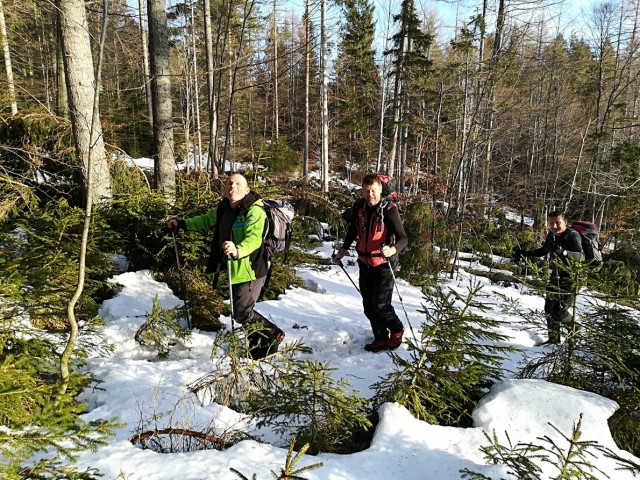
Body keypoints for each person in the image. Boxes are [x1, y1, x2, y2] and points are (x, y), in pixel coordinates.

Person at [166, 173, 284, 359]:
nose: (232, 187)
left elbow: (254, 239)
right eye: (229, 183)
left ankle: (272, 335)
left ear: (247, 189)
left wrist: (238, 249)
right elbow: (205, 220)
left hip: (253, 267)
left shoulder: (254, 211)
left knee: (242, 312)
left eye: (238, 184)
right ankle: (257, 345)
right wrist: (181, 224)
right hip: (235, 268)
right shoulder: (224, 208)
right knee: (242, 311)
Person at [332, 174, 409, 352]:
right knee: (368, 305)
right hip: (364, 262)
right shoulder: (359, 207)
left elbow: (403, 238)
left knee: (380, 304)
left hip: (383, 264)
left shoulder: (389, 209)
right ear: (362, 190)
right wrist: (342, 251)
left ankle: (397, 330)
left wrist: (393, 250)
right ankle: (380, 336)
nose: (370, 195)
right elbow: (353, 229)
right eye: (367, 191)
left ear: (380, 189)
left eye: (373, 190)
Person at [513, 211, 583, 345]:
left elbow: (580, 257)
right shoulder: (552, 235)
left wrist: (563, 252)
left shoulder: (572, 236)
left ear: (565, 223)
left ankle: (576, 329)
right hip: (555, 275)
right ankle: (553, 340)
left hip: (572, 279)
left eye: (558, 223)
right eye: (551, 223)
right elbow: (544, 250)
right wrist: (525, 253)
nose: (554, 226)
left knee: (559, 309)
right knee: (549, 308)